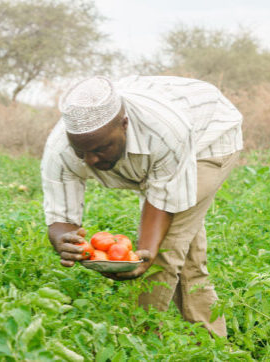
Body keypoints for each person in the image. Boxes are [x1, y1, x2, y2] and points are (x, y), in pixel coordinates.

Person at [40, 75, 243, 337]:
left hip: (208, 138)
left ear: (124, 124)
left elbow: (161, 207)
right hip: (167, 147)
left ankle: (141, 343)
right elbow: (60, 218)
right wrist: (63, 240)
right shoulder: (61, 149)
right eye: (81, 152)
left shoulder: (164, 131)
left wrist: (142, 257)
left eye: (101, 149)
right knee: (186, 259)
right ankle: (211, 346)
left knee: (164, 252)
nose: (89, 159)